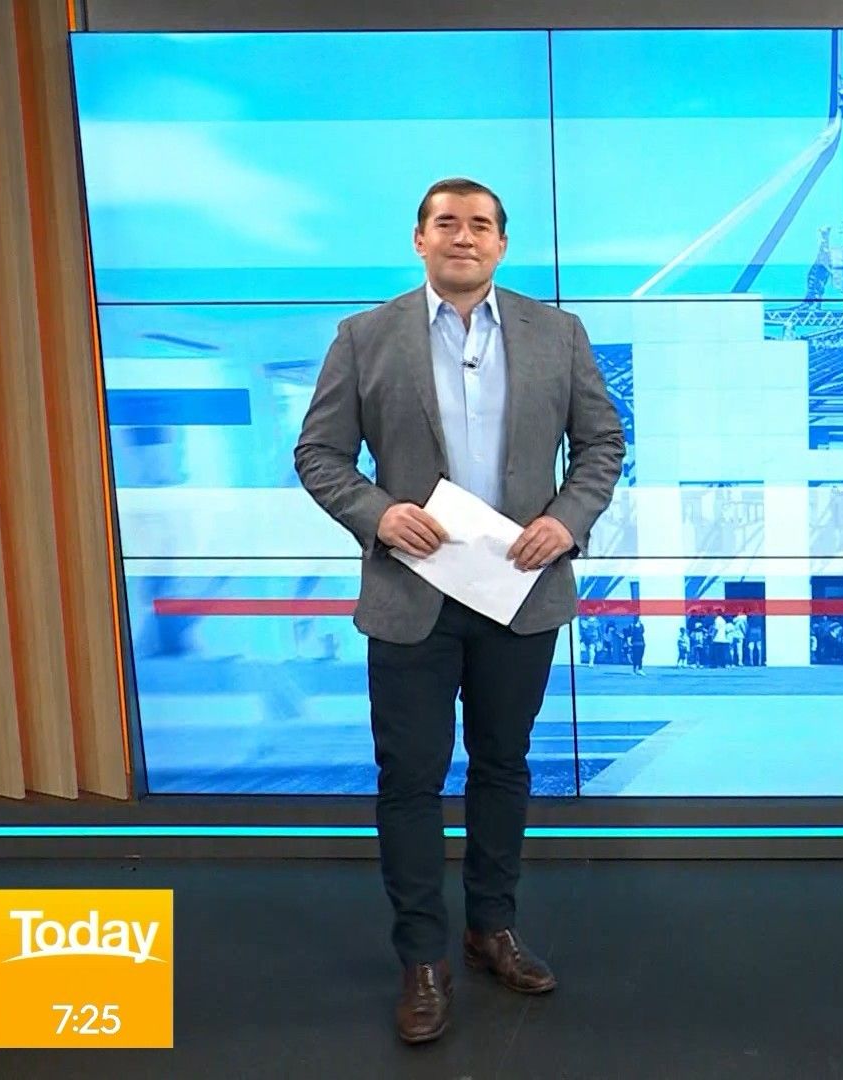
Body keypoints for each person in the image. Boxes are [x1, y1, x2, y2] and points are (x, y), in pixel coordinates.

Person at [294, 177, 625, 1044]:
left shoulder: (558, 334)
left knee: (503, 766)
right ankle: (422, 961)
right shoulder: (364, 338)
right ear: (420, 239)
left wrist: (567, 520)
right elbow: (320, 453)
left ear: (502, 244)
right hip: (412, 595)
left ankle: (490, 930)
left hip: (520, 592)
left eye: (480, 225)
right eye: (447, 223)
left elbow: (602, 443)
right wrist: (378, 514)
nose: (464, 236)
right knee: (409, 780)